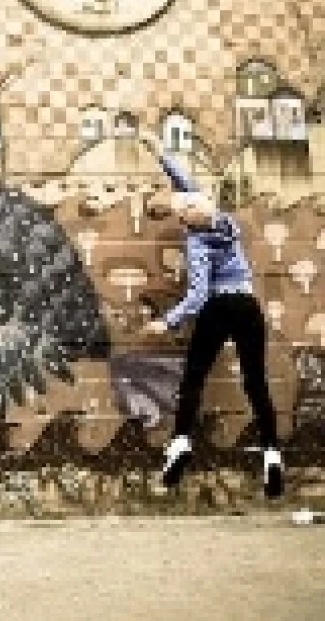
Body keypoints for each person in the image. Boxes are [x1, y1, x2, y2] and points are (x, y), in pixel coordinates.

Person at [138, 132, 283, 498]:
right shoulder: (220, 218)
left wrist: (166, 321)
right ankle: (272, 454)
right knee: (256, 382)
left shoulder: (196, 241)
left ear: (181, 217)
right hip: (246, 305)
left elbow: (199, 295)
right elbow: (182, 179)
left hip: (218, 307)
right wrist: (158, 150)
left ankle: (180, 443)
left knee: (194, 379)